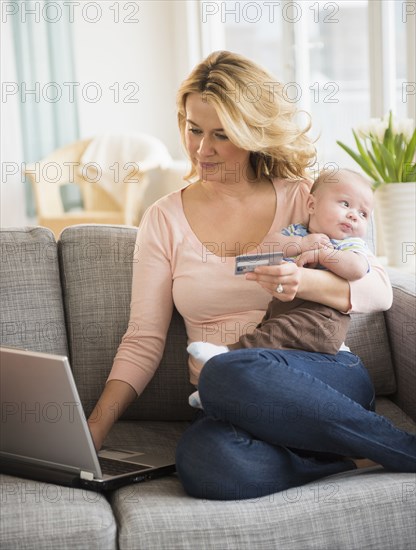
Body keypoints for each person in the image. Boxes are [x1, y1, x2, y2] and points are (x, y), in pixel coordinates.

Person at [87, 51, 415, 500]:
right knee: (204, 462)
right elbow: (144, 337)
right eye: (193, 128)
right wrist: (94, 429)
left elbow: (380, 292)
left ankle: (403, 449)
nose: (203, 149)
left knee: (220, 369)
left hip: (323, 375)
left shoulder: (306, 198)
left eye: (222, 135)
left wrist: (306, 282)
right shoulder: (163, 219)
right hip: (234, 401)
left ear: (252, 132)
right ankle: (349, 455)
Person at [187, 168, 375, 408]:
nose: (353, 216)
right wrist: (300, 244)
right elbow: (264, 250)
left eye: (363, 213)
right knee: (268, 341)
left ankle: (226, 355)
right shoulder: (297, 232)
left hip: (322, 320)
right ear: (311, 204)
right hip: (283, 310)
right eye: (345, 204)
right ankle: (216, 391)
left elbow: (358, 268)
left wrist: (323, 254)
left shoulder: (348, 244)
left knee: (275, 333)